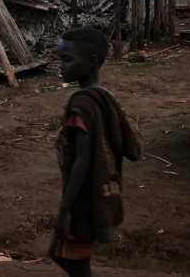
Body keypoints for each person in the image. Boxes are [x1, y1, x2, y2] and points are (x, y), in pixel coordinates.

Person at [50, 28, 142, 277]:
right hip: (96, 193)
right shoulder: (103, 98)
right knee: (60, 253)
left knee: (75, 262)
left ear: (91, 62)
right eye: (60, 58)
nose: (61, 65)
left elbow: (82, 160)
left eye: (67, 59)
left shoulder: (82, 103)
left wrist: (64, 209)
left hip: (83, 198)